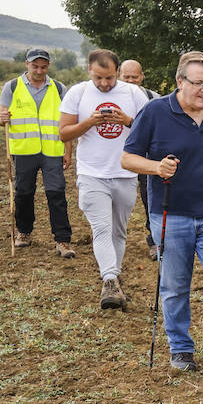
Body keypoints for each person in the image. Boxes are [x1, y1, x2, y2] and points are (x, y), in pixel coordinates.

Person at [121, 51, 203, 379]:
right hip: (172, 215)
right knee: (176, 284)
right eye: (199, 83)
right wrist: (156, 167)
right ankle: (181, 349)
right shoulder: (154, 112)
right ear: (180, 82)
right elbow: (127, 158)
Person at [57, 49, 149, 309]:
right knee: (102, 228)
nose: (104, 84)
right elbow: (64, 134)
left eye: (109, 78)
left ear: (117, 73)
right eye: (99, 78)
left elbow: (148, 130)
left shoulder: (133, 94)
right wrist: (89, 122)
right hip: (91, 173)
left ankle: (114, 278)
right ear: (89, 71)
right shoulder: (78, 93)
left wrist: (127, 120)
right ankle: (109, 280)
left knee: (119, 231)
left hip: (124, 172)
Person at [0, 48, 75, 256]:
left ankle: (62, 240)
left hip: (53, 151)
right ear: (27, 64)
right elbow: (1, 116)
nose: (39, 71)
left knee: (56, 193)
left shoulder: (60, 89)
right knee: (23, 193)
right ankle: (24, 232)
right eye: (35, 66)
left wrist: (68, 151)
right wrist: (2, 119)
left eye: (43, 66)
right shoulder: (12, 87)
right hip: (24, 151)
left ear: (48, 66)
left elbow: (66, 124)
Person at [119, 59, 162, 261]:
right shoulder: (109, 98)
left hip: (145, 159)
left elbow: (160, 129)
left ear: (142, 77)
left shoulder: (154, 99)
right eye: (126, 77)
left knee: (150, 200)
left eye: (134, 77)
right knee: (117, 202)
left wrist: (129, 121)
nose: (130, 81)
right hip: (118, 160)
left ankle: (155, 241)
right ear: (119, 75)